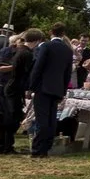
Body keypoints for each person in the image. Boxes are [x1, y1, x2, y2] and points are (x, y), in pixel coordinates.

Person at [26, 27, 74, 158]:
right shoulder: (68, 50)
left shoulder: (46, 46)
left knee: (42, 119)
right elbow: (67, 73)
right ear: (63, 33)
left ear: (50, 33)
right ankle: (46, 147)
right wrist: (63, 90)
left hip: (43, 87)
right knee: (52, 119)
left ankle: (37, 149)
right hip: (57, 88)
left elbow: (38, 67)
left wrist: (31, 86)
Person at [0, 30, 28, 154]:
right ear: (15, 42)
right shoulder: (6, 51)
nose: (23, 43)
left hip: (12, 87)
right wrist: (15, 66)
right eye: (21, 41)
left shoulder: (23, 53)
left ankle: (3, 144)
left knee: (9, 116)